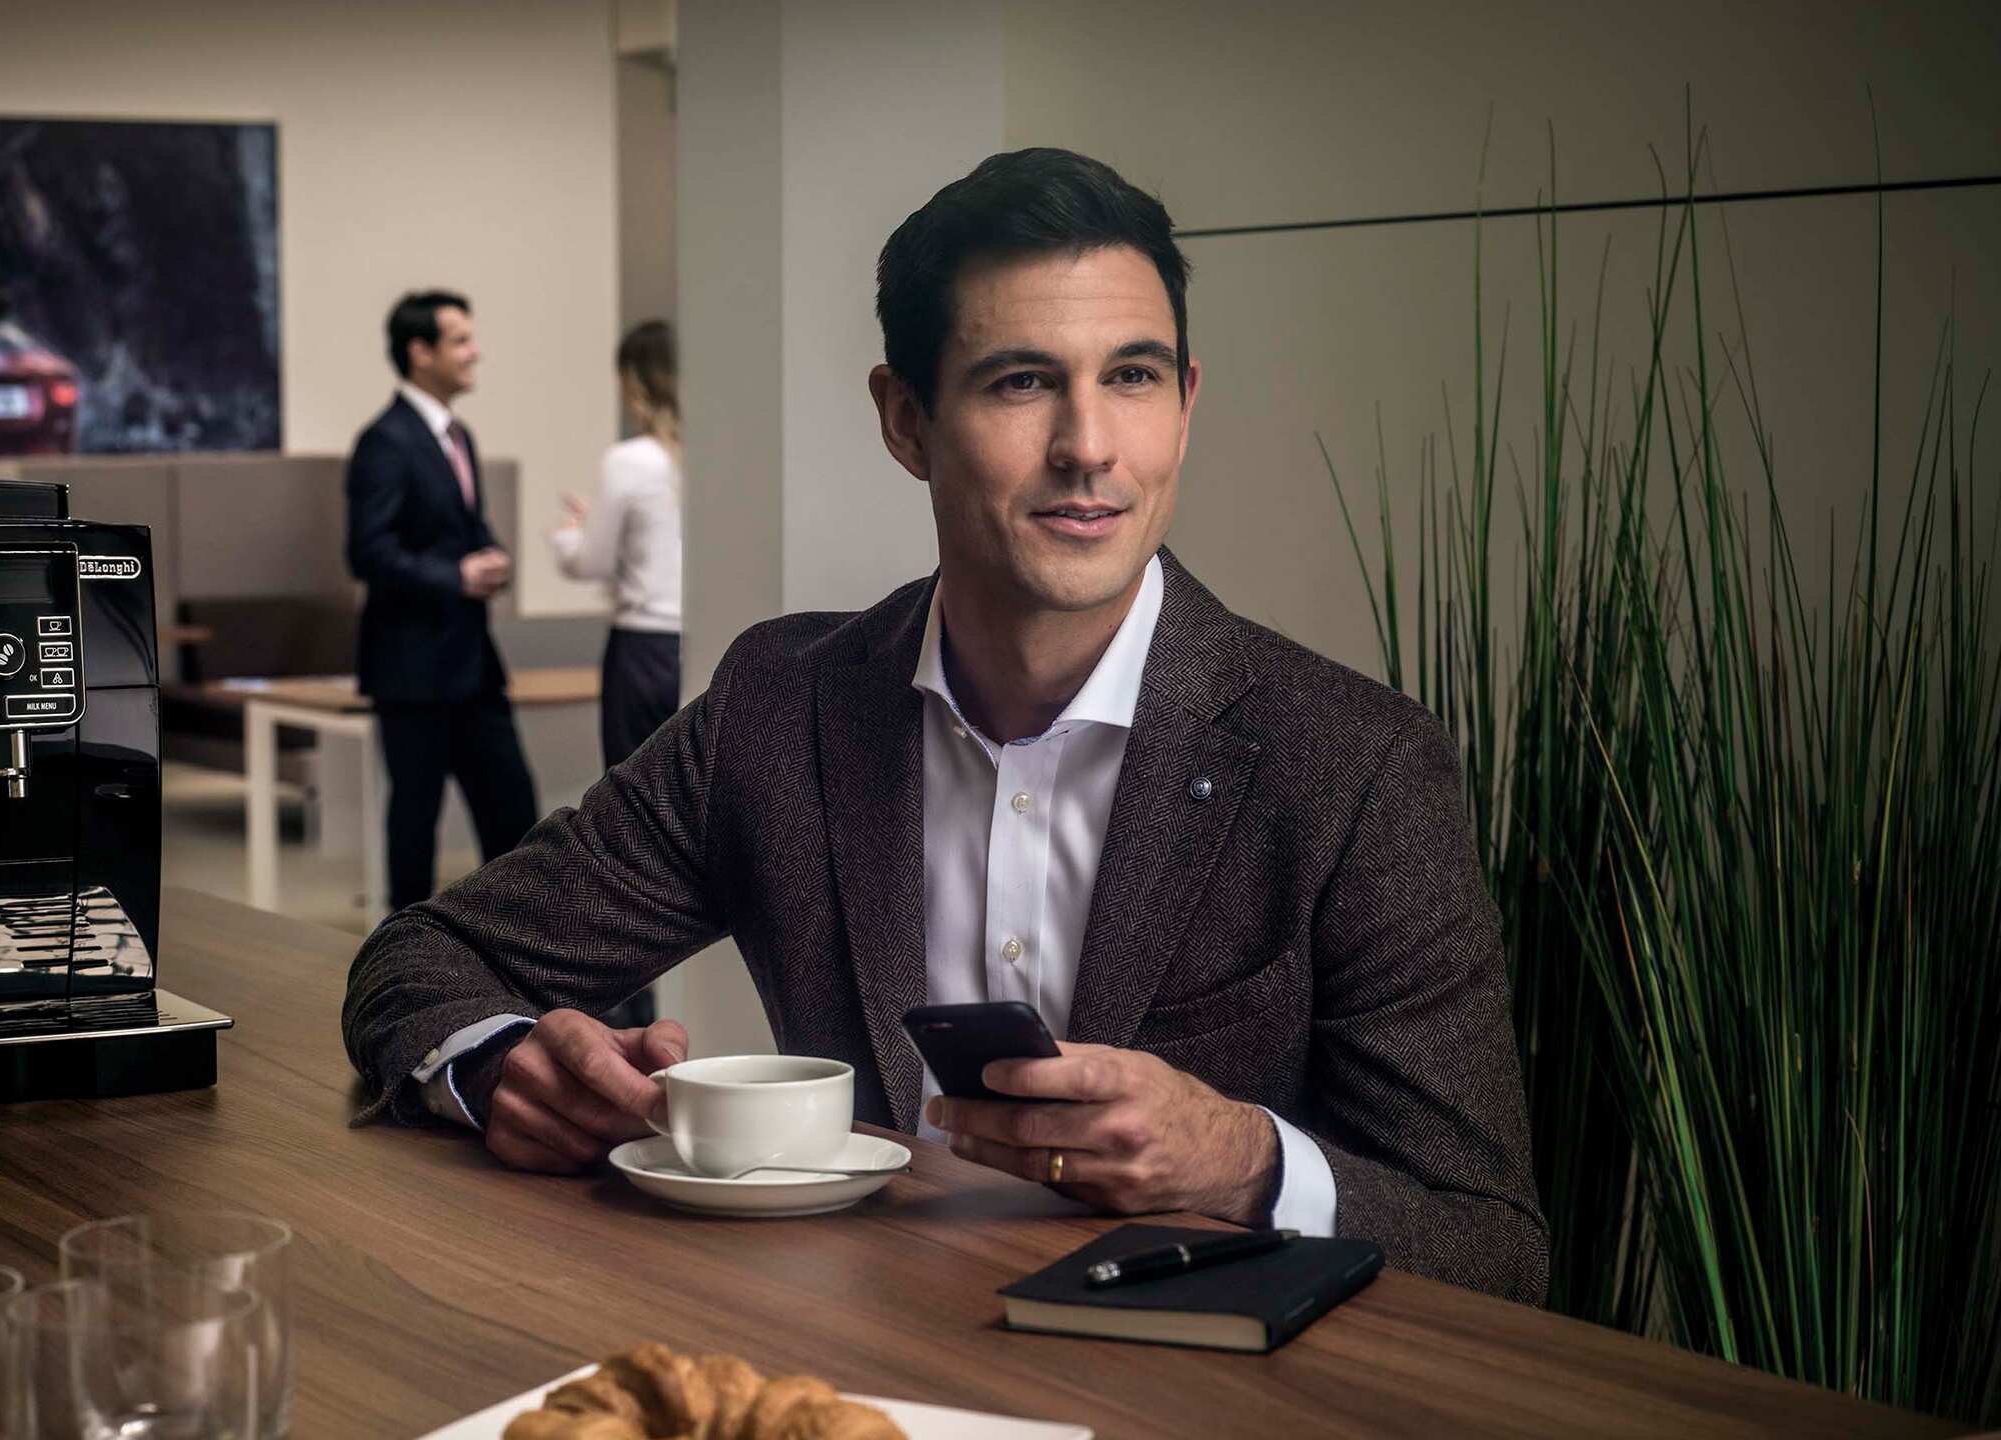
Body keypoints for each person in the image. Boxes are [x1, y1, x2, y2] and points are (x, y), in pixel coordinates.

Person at [341, 152, 1546, 1302]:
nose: (1088, 448)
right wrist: (500, 1070)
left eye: (1130, 376)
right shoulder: (782, 703)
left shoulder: (1354, 764)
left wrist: (1240, 1159)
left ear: (1184, 403)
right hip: (854, 1368)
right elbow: (420, 960)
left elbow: (1490, 1239)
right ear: (905, 420)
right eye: (1021, 382)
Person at [343, 289, 539, 910]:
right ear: (419, 352)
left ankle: (517, 951)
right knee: (415, 828)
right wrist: (455, 575)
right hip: (412, 670)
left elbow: (457, 527)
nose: (475, 352)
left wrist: (491, 552)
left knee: (515, 818)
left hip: (473, 666)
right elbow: (367, 552)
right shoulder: (385, 440)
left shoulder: (460, 436)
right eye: (460, 340)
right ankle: (407, 967)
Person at [551, 319, 684, 771]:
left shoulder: (628, 460)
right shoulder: (712, 454)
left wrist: (570, 535)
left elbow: (593, 561)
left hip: (642, 650)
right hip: (704, 639)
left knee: (634, 800)